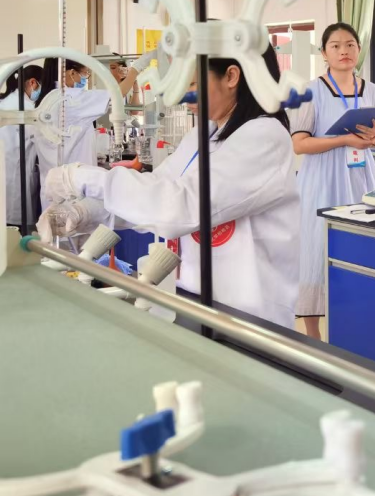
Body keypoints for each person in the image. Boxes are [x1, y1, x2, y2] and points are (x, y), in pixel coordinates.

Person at [40, 44, 300, 328]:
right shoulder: (204, 133)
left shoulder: (264, 136)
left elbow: (180, 207)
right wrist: (86, 212)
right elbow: (157, 189)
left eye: (191, 84)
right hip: (193, 299)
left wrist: (83, 178)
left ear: (231, 76)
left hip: (247, 315)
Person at [291, 23, 375, 339]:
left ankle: (356, 329)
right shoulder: (309, 92)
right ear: (324, 53)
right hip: (321, 180)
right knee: (316, 249)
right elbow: (299, 144)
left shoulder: (374, 91)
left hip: (361, 178)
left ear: (359, 49)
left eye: (350, 44)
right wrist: (343, 140)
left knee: (362, 245)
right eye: (336, 46)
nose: (344, 51)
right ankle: (312, 335)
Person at [35, 53, 154, 211]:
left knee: (54, 225)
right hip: (73, 189)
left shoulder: (47, 99)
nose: (85, 79)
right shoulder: (69, 98)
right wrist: (136, 69)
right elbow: (116, 95)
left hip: (54, 187)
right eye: (85, 74)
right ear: (72, 73)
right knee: (74, 224)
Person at [0, 65, 43, 227]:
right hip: (17, 176)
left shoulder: (7, 101)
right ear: (33, 82)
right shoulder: (26, 109)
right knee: (17, 227)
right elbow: (41, 139)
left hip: (7, 172)